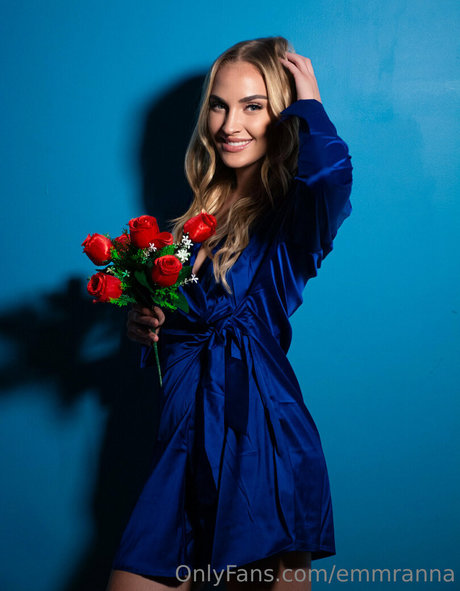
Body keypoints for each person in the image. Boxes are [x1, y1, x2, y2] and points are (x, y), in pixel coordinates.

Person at [106, 36, 353, 591]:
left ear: (282, 115)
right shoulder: (192, 224)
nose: (230, 124)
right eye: (219, 106)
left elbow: (330, 177)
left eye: (253, 106)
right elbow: (179, 323)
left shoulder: (295, 212)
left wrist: (310, 102)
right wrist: (146, 324)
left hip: (256, 441)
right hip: (182, 440)